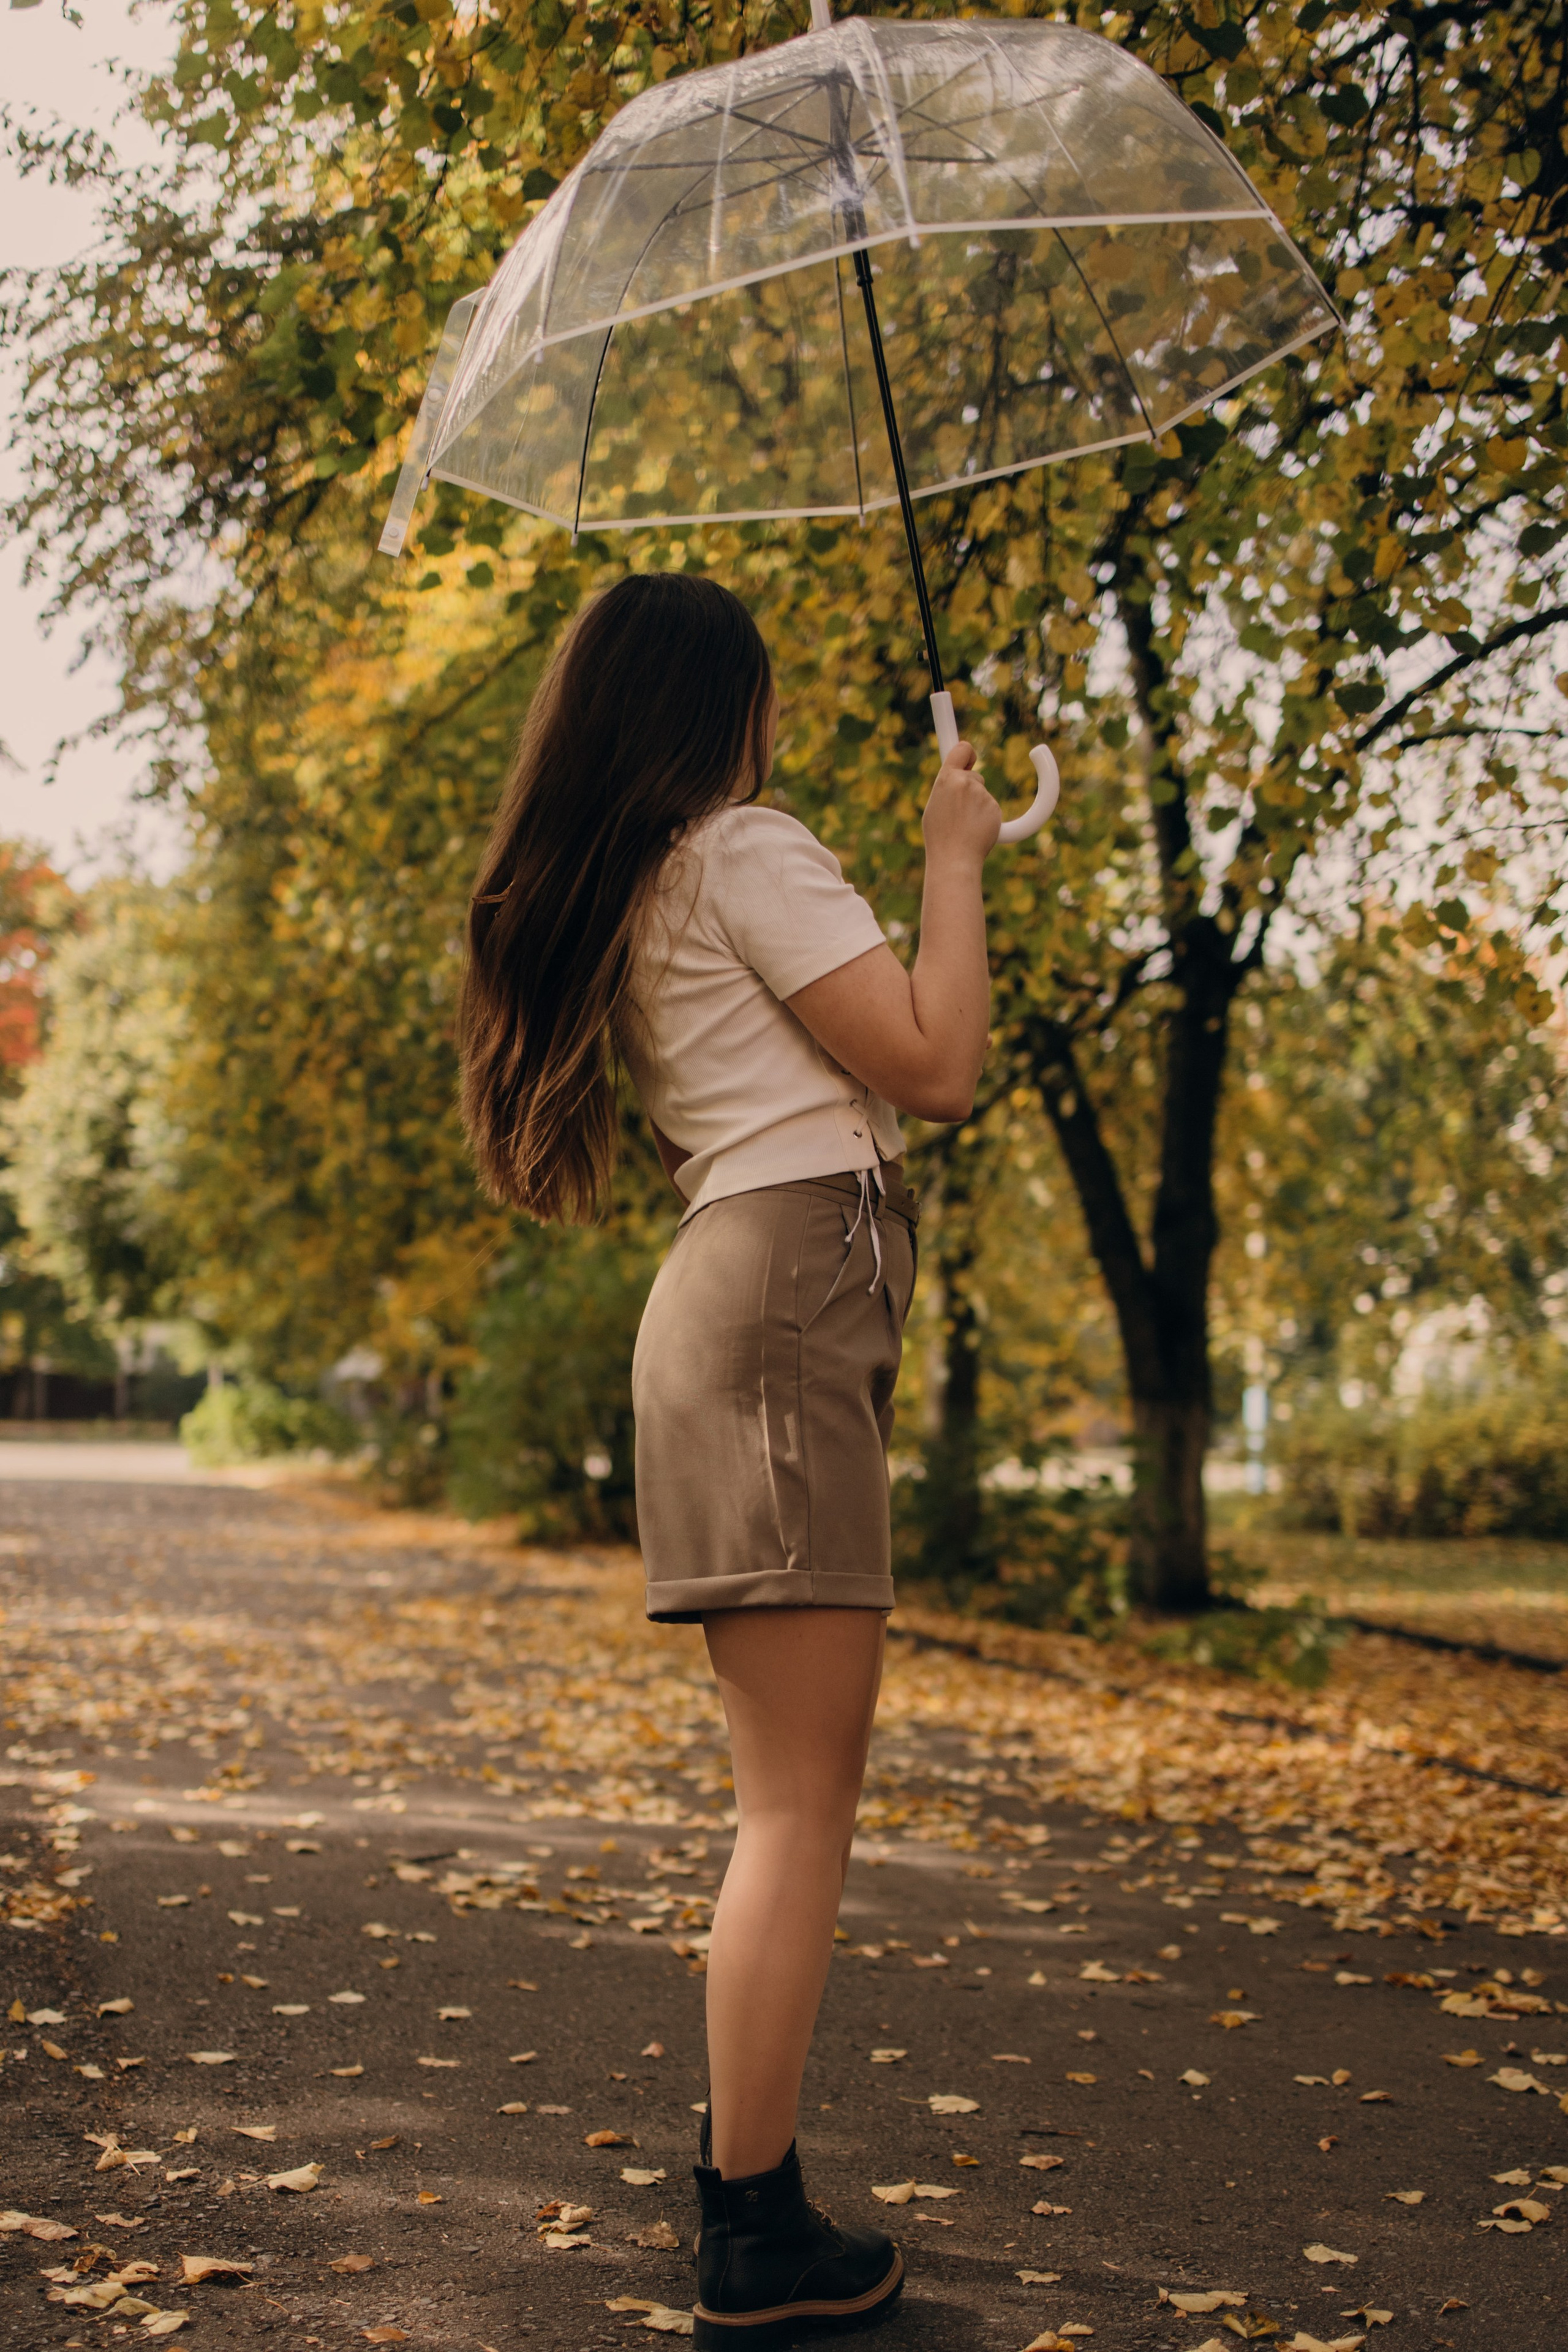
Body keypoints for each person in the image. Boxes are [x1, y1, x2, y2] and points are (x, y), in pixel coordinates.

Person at [459, 571, 1004, 2347]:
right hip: (773, 1313)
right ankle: (753, 2224)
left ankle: (745, 2192)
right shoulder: (744, 847)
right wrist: (954, 851)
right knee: (799, 1810)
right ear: (719, 707)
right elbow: (934, 1064)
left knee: (794, 1803)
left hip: (757, 1307)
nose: (776, 726)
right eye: (761, 694)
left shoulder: (655, 871)